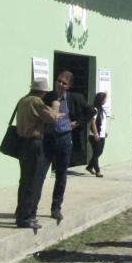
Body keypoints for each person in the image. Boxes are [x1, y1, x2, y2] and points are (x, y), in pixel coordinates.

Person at [40, 71, 91, 224]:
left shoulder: (75, 98)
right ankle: (31, 207)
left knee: (61, 174)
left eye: (64, 83)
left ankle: (56, 207)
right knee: (40, 172)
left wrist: (76, 123)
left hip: (65, 138)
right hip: (48, 138)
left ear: (69, 86)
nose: (60, 84)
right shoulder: (47, 97)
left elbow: (91, 111)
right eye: (59, 81)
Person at [14, 77, 60, 231]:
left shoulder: (23, 100)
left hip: (23, 143)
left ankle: (21, 212)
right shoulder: (36, 101)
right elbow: (51, 117)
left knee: (25, 180)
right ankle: (27, 216)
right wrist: (55, 107)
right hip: (34, 143)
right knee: (34, 181)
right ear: (42, 92)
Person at [85, 92, 108, 178]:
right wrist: (96, 134)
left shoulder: (102, 109)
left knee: (99, 152)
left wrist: (104, 131)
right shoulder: (95, 109)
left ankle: (89, 166)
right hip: (95, 135)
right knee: (95, 153)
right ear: (100, 99)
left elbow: (102, 122)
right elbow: (93, 122)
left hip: (101, 135)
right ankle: (97, 170)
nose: (105, 100)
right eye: (104, 99)